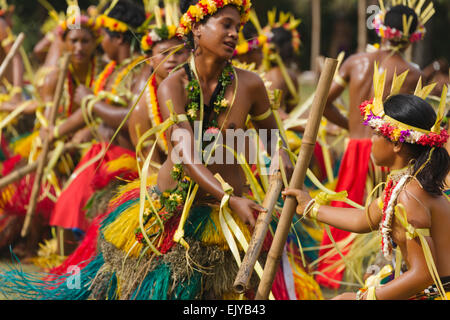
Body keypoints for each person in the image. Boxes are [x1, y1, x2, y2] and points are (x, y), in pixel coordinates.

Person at [283, 74, 450, 299]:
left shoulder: (410, 197)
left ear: (396, 144)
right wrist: (310, 207)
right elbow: (365, 219)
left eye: (375, 134)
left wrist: (362, 298)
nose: (370, 140)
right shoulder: (404, 185)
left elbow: (423, 274)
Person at [314, 2, 435, 289]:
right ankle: (386, 274)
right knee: (390, 216)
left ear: (381, 29)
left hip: (356, 146)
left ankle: (330, 278)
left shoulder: (356, 62)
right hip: (391, 152)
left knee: (349, 208)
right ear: (413, 36)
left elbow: (323, 102)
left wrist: (351, 127)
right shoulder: (412, 73)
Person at [45, 0, 146, 256]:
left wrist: (92, 101)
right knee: (68, 212)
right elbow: (88, 110)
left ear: (120, 38)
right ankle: (74, 276)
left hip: (121, 162)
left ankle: (81, 275)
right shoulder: (111, 70)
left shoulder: (139, 71)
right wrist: (56, 132)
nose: (101, 42)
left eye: (104, 37)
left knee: (89, 222)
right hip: (100, 155)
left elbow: (131, 117)